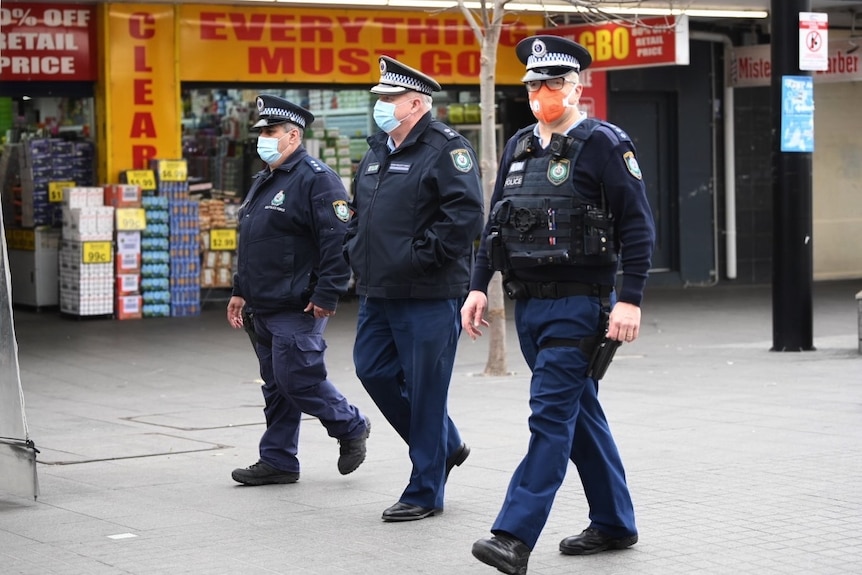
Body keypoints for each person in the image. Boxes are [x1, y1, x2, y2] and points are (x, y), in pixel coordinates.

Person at [462, 36, 656, 574]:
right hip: (530, 306)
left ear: (575, 87)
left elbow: (638, 227)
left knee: (550, 416)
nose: (541, 92)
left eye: (552, 83)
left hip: (581, 306)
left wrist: (630, 300)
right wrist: (480, 285)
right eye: (532, 83)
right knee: (579, 413)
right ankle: (615, 522)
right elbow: (497, 222)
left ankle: (513, 535)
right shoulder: (520, 144)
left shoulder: (605, 144)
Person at [344, 56, 484, 521]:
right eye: (379, 99)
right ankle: (445, 443)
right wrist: (353, 251)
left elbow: (465, 216)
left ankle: (425, 490)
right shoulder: (376, 151)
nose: (381, 106)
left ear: (417, 103)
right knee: (372, 370)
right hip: (378, 291)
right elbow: (358, 213)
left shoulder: (446, 149)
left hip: (427, 293)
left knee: (426, 392)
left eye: (389, 99)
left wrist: (418, 258)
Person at [227, 94, 370, 486]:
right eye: (261, 132)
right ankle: (278, 460)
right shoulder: (265, 180)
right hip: (263, 304)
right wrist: (240, 289)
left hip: (298, 304)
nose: (263, 138)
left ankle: (350, 426)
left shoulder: (316, 178)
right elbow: (252, 241)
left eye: (270, 132)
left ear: (293, 135)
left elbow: (337, 240)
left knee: (298, 379)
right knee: (276, 386)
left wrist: (328, 293)